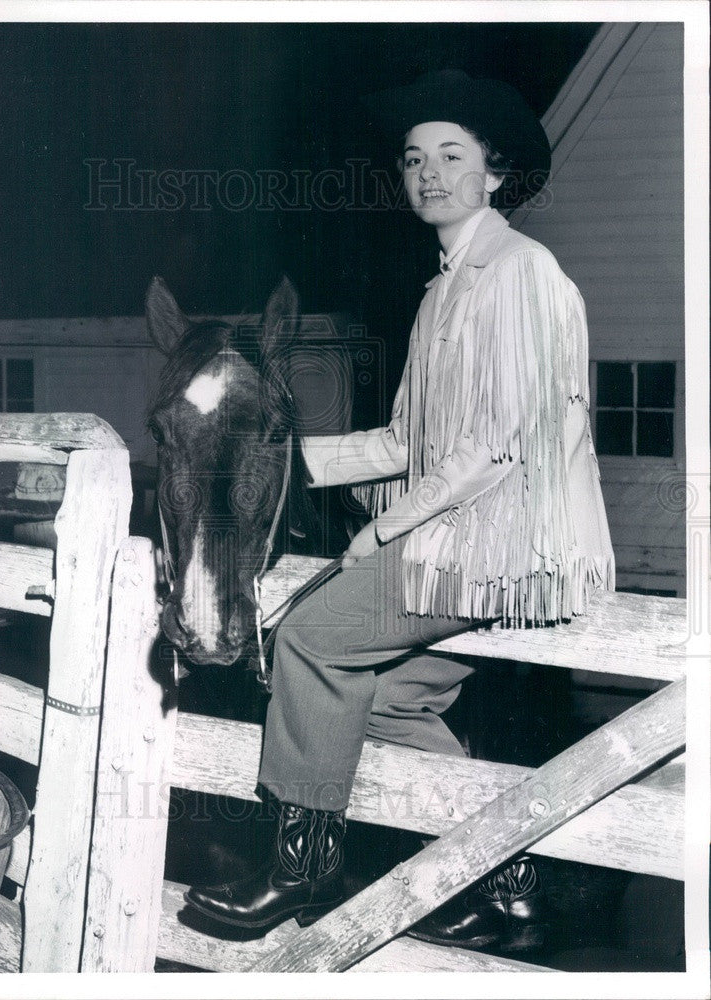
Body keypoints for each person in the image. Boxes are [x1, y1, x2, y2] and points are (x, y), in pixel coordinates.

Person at [185, 69, 615, 950]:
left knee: (308, 639)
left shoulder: (522, 274)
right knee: (383, 699)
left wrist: (378, 532)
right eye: (415, 157)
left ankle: (301, 870)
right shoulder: (444, 289)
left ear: (496, 173)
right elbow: (400, 443)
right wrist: (270, 461)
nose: (428, 172)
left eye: (452, 155)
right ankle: (512, 885)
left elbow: (496, 449)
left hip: (502, 540)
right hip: (465, 534)